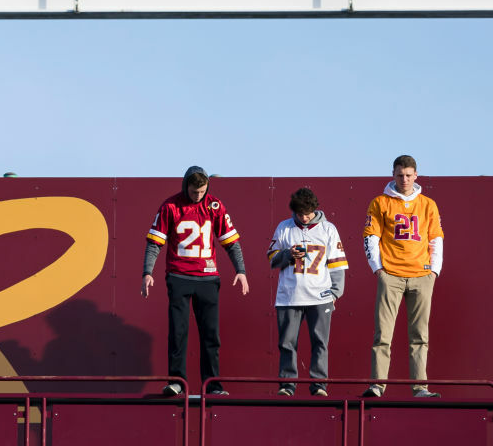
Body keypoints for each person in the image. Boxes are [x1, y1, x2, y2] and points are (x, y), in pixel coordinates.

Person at [141, 166, 249, 396]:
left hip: (208, 278)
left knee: (211, 335)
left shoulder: (215, 206)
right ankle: (177, 381)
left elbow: (231, 242)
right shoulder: (170, 205)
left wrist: (241, 270)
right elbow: (154, 243)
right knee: (178, 332)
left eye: (201, 191)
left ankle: (213, 384)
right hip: (179, 276)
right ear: (185, 186)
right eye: (193, 191)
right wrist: (147, 273)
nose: (197, 196)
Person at [362, 155, 444, 398]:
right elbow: (370, 237)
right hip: (391, 275)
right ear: (393, 174)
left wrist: (434, 271)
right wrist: (378, 268)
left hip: (421, 275)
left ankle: (420, 387)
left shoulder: (428, 204)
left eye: (409, 175)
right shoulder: (380, 202)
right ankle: (377, 384)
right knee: (382, 334)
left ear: (416, 175)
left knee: (420, 335)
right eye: (400, 175)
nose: (405, 179)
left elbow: (436, 239)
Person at [268, 188, 348, 397]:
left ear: (315, 209)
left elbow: (337, 264)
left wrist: (335, 293)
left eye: (308, 213)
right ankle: (287, 384)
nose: (304, 217)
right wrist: (287, 254)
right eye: (300, 213)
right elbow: (271, 258)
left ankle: (319, 385)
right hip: (289, 296)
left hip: (320, 296)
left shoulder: (328, 229)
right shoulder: (284, 228)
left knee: (320, 342)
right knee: (287, 343)